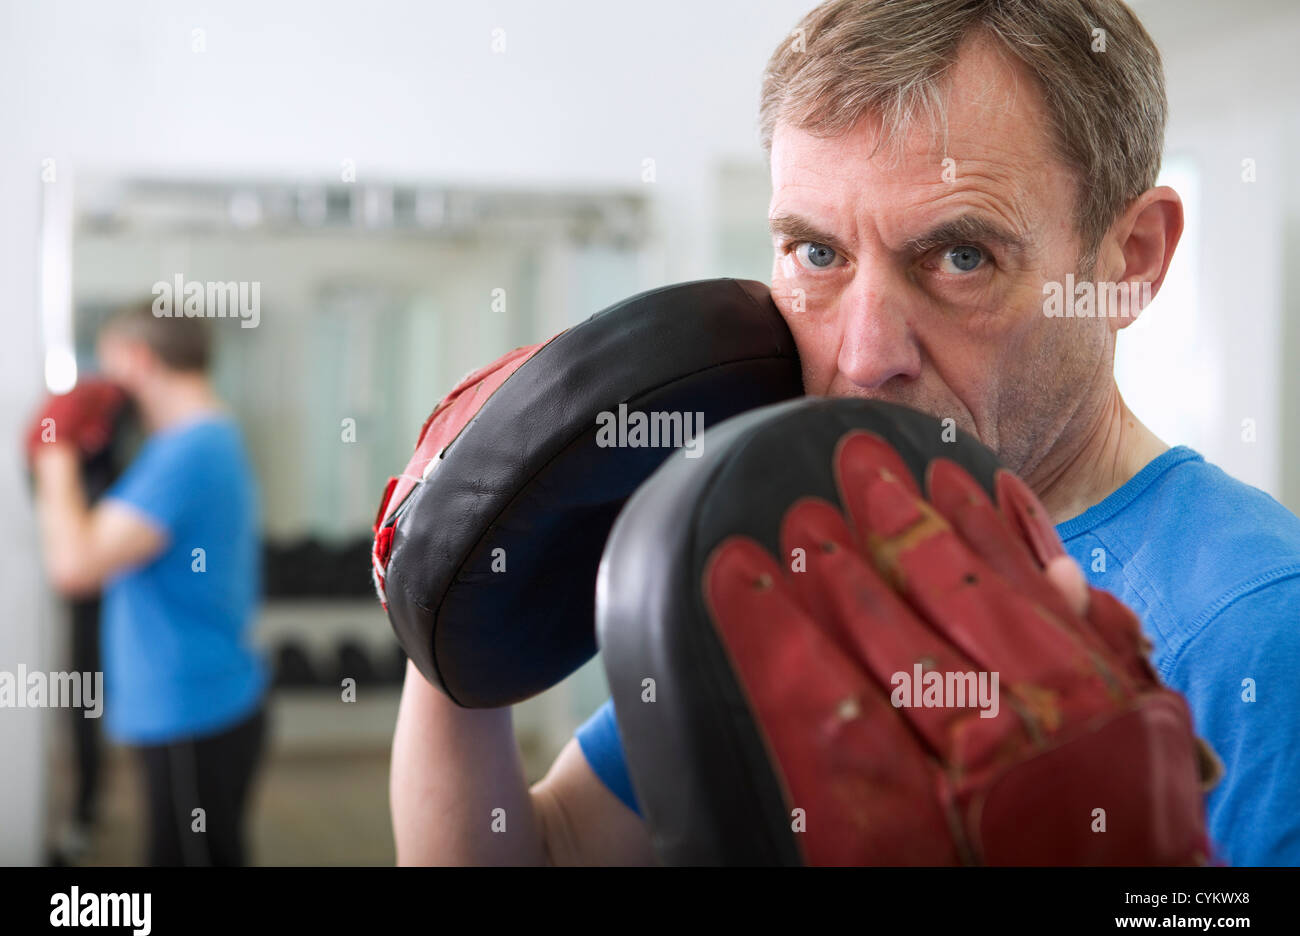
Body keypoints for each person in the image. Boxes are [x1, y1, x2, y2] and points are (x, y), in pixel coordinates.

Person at [391, 0, 1300, 866]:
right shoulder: (802, 549)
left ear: (1129, 262)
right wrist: (459, 590)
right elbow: (551, 848)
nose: (864, 358)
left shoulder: (1258, 625)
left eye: (960, 257)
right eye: (817, 253)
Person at [30, 303, 268, 866]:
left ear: (139, 361)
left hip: (193, 707)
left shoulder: (188, 452)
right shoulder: (195, 442)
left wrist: (53, 451)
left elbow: (74, 565)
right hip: (197, 702)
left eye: (111, 367)